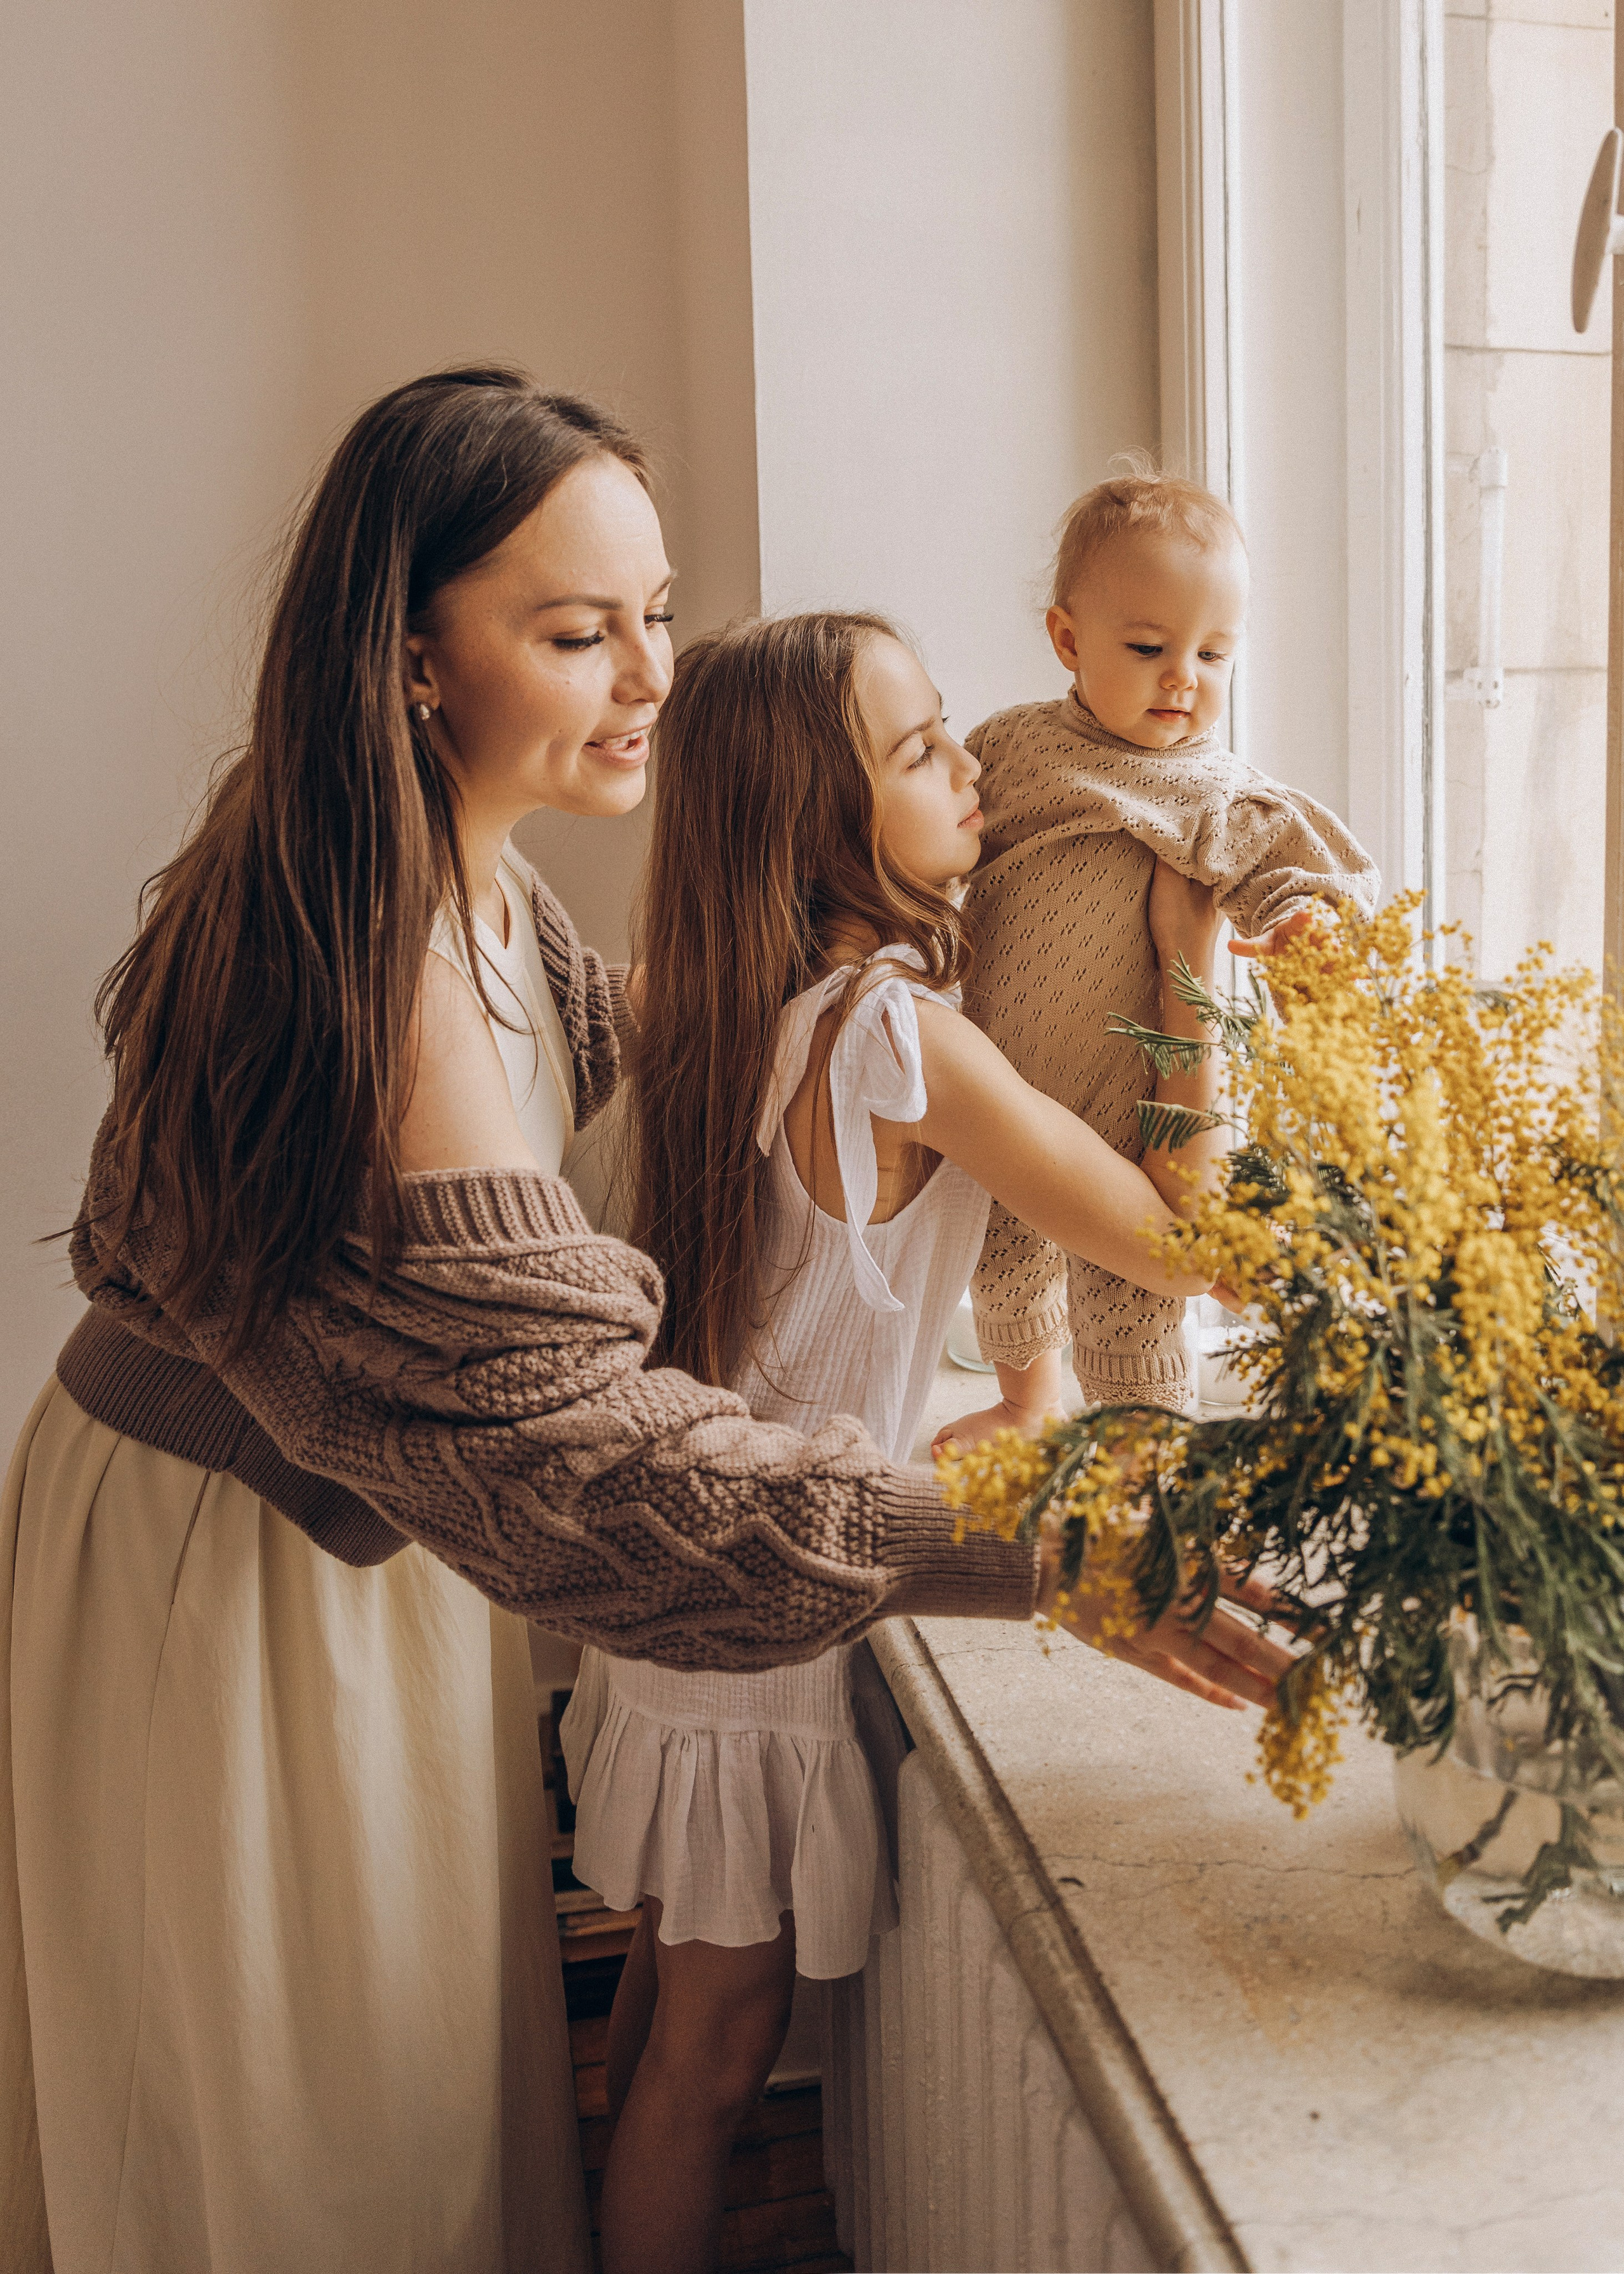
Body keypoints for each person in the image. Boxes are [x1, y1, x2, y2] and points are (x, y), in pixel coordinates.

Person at [0, 371, 1292, 2274]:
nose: (652, 678)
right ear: (411, 654)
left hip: (357, 1554)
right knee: (306, 2162)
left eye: (658, 616)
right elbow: (585, 1461)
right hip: (236, 1578)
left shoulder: (471, 887)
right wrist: (1040, 1546)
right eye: (577, 631)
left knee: (434, 2115)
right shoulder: (370, 955)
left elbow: (678, 1082)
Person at [558, 611, 1285, 2274]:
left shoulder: (748, 1004)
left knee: (669, 2005)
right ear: (823, 822)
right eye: (919, 750)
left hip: (690, 1584)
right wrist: (1189, 958)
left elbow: (806, 1317)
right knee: (714, 2055)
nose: (972, 770)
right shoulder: (895, 1038)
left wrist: (1006, 1412)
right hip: (766, 1612)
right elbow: (1186, 1244)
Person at [938, 460, 1380, 1455]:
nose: (1185, 678)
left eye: (1216, 655)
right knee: (1002, 1263)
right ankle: (1023, 1402)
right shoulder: (1013, 750)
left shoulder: (1217, 793)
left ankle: (1151, 1457)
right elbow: (942, 839)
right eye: (1149, 647)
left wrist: (1305, 924)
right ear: (1067, 639)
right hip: (1002, 1076)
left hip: (1138, 1098)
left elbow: (1292, 870)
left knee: (1131, 1298)